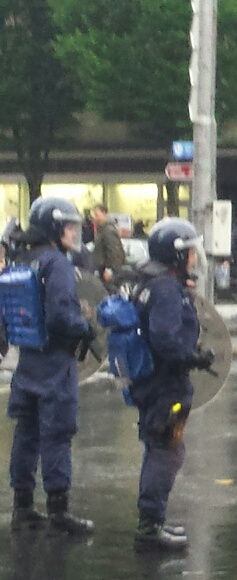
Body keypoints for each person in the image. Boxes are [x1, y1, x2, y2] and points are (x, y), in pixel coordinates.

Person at [6, 198, 96, 536]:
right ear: (55, 228)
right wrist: (84, 328)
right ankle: (59, 511)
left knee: (26, 435)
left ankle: (23, 507)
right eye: (69, 226)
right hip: (56, 364)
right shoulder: (56, 263)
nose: (74, 232)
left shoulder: (23, 258)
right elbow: (61, 315)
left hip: (28, 360)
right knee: (57, 435)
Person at [130, 218, 213, 551]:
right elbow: (164, 338)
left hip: (153, 383)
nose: (194, 257)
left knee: (160, 447)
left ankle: (154, 520)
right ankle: (150, 525)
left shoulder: (153, 282)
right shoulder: (166, 289)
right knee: (167, 450)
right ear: (176, 254)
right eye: (190, 251)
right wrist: (192, 357)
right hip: (167, 387)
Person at [90, 204, 127, 292]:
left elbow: (114, 251)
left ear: (104, 213)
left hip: (106, 273)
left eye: (96, 214)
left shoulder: (108, 230)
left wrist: (109, 269)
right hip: (100, 271)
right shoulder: (101, 230)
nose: (94, 218)